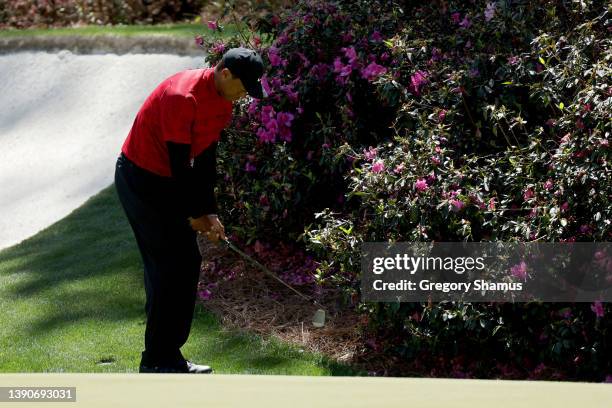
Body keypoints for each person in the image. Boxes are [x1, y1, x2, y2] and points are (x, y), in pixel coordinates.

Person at [114, 47, 267, 374]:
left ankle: (166, 355)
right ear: (225, 73)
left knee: (184, 263)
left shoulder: (223, 102)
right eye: (242, 87)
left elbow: (205, 161)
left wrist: (208, 211)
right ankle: (157, 359)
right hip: (141, 178)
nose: (242, 96)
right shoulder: (182, 97)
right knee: (167, 266)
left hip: (168, 179)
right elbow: (180, 166)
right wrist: (194, 214)